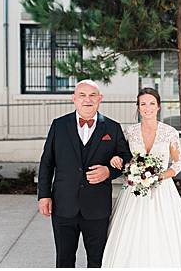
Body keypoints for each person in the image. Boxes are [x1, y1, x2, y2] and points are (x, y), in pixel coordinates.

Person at [102, 87, 181, 267]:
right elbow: (121, 157)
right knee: (130, 233)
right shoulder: (129, 132)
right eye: (143, 104)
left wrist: (159, 177)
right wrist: (116, 159)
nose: (147, 108)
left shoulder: (169, 132)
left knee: (163, 233)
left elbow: (178, 163)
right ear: (138, 107)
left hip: (162, 190)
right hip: (133, 191)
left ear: (158, 107)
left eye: (151, 103)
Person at [37, 80, 132, 268]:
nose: (87, 100)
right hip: (63, 205)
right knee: (64, 260)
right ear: (74, 99)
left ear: (100, 99)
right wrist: (44, 195)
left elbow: (125, 157)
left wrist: (109, 171)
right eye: (82, 95)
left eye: (92, 95)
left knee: (97, 261)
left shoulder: (112, 127)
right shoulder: (59, 125)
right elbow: (47, 162)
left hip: (97, 208)